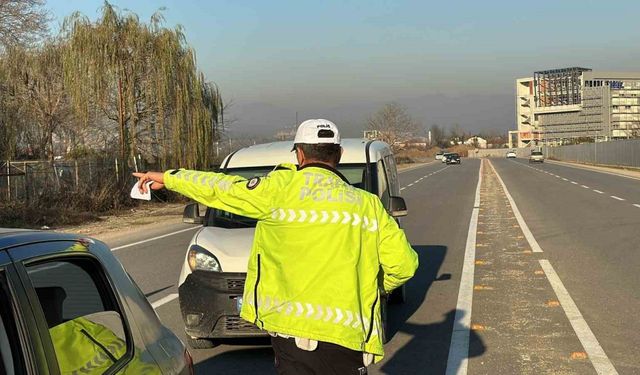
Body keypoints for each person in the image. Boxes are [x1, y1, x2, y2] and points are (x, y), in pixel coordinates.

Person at [133, 119, 418, 374]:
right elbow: (403, 265)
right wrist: (372, 288)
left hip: (292, 336)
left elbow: (222, 188)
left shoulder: (278, 191)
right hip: (348, 338)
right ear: (339, 154)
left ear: (300, 154)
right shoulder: (367, 206)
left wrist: (169, 178)